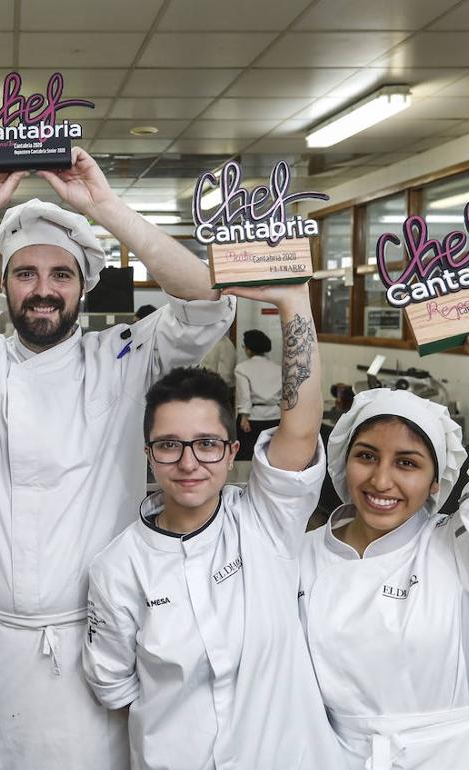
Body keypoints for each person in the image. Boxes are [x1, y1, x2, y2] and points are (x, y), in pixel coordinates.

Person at [0, 148, 234, 770]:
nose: (42, 290)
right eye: (24, 274)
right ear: (2, 284)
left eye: (60, 275)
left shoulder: (122, 353)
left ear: (84, 284)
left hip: (92, 643)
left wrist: (106, 208)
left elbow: (203, 300)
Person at [83, 285, 346, 770]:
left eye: (207, 444)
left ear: (231, 452)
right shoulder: (118, 567)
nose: (188, 463)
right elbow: (115, 688)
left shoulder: (266, 520)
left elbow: (303, 427)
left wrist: (294, 305)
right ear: (148, 454)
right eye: (168, 445)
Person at [300, 328, 469, 770]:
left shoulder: (463, 552)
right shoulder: (301, 558)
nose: (381, 481)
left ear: (435, 483)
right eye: (366, 456)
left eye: (407, 463)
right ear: (343, 462)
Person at [234, 328, 281, 461]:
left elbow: (244, 395)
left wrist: (244, 417)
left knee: (248, 455)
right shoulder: (278, 368)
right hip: (275, 416)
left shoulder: (242, 368)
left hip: (252, 418)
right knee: (270, 455)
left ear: (248, 349)